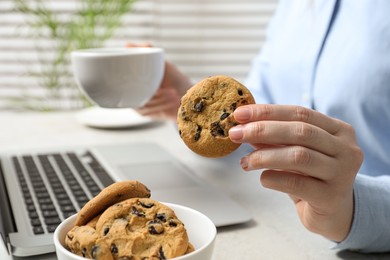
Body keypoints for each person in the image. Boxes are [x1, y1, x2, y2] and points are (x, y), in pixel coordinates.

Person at [133, 0, 390, 253]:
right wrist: (182, 94)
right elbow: (258, 116)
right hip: (269, 218)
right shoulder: (293, 6)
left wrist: (353, 208)